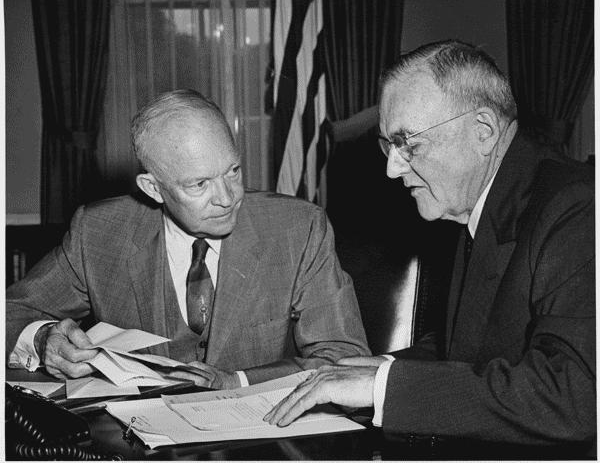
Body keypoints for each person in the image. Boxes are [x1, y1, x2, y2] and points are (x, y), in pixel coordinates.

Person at [265, 40, 595, 446]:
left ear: (483, 132)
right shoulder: (478, 200)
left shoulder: (577, 208)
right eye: (388, 144)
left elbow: (577, 395)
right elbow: (474, 346)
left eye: (409, 144)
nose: (391, 168)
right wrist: (377, 369)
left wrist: (383, 386)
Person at [6, 89, 370, 389]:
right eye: (199, 184)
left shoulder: (298, 229)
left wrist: (240, 380)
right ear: (154, 188)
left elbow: (343, 355)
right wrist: (43, 340)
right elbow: (11, 312)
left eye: (233, 171)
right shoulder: (98, 232)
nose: (227, 198)